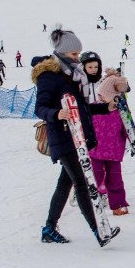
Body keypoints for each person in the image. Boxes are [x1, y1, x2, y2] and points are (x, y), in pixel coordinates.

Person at [32, 27, 120, 246]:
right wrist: (56, 113)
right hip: (62, 135)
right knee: (81, 182)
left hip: (76, 136)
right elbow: (40, 108)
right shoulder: (49, 76)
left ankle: (49, 228)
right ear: (62, 53)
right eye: (73, 54)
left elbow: (83, 108)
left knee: (65, 184)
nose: (77, 58)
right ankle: (99, 229)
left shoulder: (71, 76)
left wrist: (105, 108)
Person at [84, 57, 131, 216]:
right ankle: (93, 199)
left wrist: (133, 141)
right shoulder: (95, 108)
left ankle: (118, 204)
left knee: (116, 180)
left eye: (104, 96)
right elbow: (86, 125)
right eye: (100, 96)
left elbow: (128, 130)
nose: (101, 98)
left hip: (114, 152)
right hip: (96, 151)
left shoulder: (120, 113)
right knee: (95, 177)